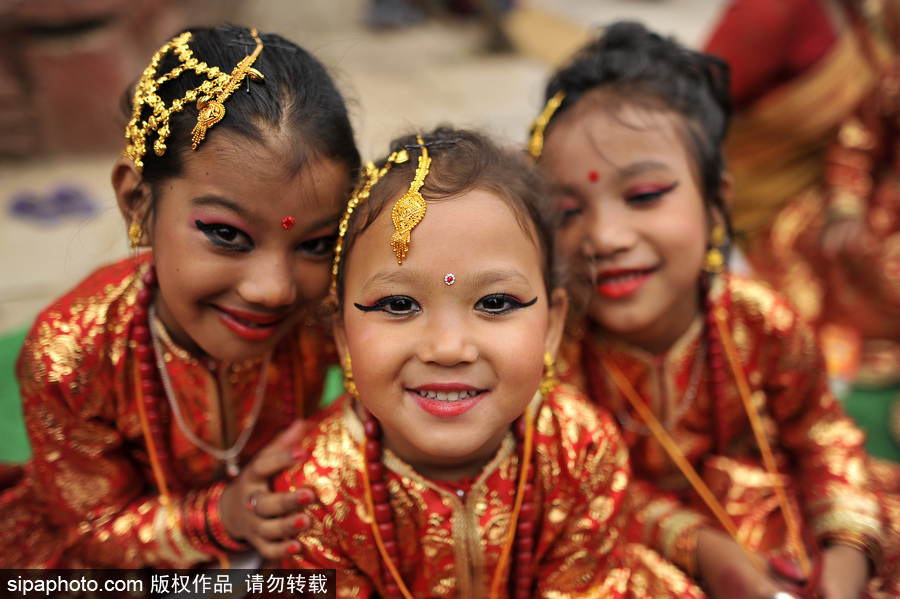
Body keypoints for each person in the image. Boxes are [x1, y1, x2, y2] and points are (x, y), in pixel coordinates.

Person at [528, 21, 899, 599]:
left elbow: (822, 434)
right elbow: (582, 489)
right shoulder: (555, 353)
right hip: (640, 551)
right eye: (568, 211)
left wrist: (846, 557)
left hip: (785, 523)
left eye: (644, 196)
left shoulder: (759, 318)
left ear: (716, 203)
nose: (606, 236)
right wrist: (706, 552)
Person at [275, 127, 706, 598]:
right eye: (398, 305)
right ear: (341, 336)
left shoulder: (578, 448)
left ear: (553, 325)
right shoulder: (313, 490)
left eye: (496, 302)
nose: (447, 347)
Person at [0, 24, 360, 569]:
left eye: (314, 242)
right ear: (137, 200)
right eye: (225, 234)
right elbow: (94, 528)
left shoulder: (327, 301)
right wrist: (224, 517)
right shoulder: (70, 355)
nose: (273, 289)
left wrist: (315, 454)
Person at [703, 0, 900, 388]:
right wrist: (848, 205)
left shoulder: (860, 16)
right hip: (763, 205)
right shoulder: (773, 10)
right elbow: (689, 110)